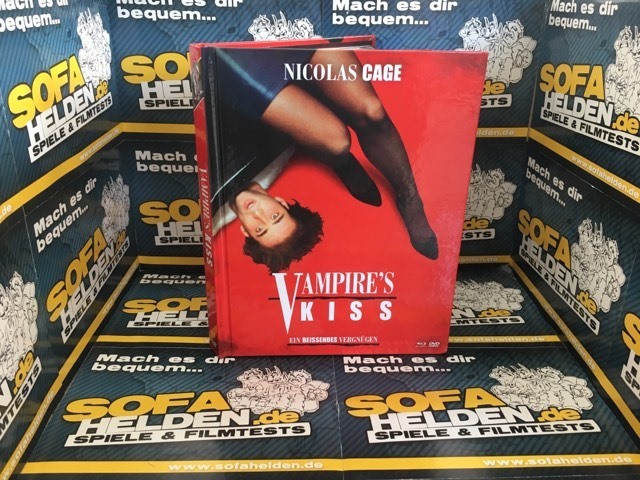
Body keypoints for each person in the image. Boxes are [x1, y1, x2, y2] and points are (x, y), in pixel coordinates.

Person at [210, 46, 438, 272]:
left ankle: (408, 195)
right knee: (336, 142)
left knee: (373, 111)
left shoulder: (220, 205)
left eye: (262, 226)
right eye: (273, 218)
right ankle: (341, 161)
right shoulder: (272, 164)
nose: (258, 215)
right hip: (240, 51)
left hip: (292, 31)